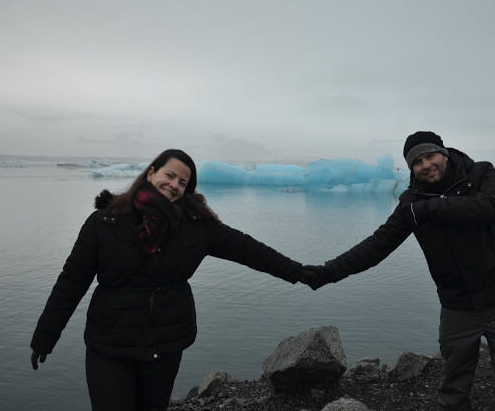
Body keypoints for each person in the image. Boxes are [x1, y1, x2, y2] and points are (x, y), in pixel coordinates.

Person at [30, 149, 307, 411]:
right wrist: (46, 335)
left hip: (163, 345)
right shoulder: (105, 222)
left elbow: (251, 251)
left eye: (183, 182)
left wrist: (302, 273)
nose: (174, 185)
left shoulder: (197, 228)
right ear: (151, 173)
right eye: (170, 175)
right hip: (109, 345)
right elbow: (72, 281)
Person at [302, 131, 495, 410]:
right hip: (457, 304)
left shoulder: (480, 174)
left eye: (430, 156)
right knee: (454, 384)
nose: (425, 165)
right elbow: (376, 246)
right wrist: (327, 272)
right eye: (416, 162)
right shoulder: (410, 203)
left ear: (443, 153)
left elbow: (490, 207)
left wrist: (431, 208)